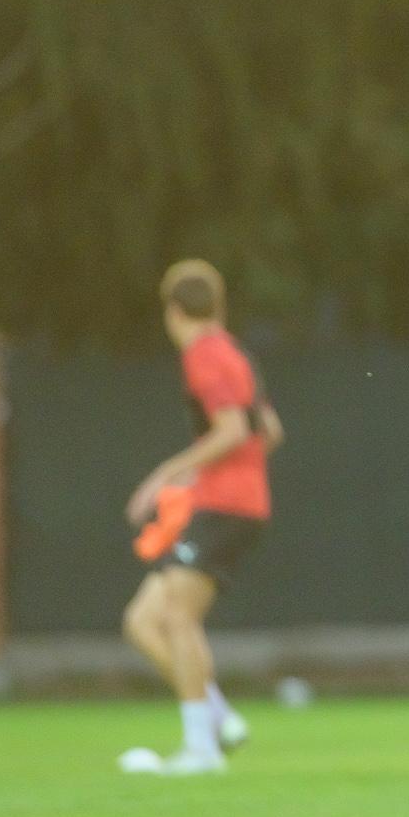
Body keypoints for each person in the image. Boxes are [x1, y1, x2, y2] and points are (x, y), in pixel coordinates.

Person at [122, 260, 284, 776]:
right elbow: (269, 432)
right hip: (233, 501)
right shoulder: (237, 355)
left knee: (178, 618)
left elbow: (232, 430)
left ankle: (201, 750)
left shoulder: (203, 355)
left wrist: (169, 472)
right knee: (142, 621)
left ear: (173, 310)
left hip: (225, 507)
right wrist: (212, 476)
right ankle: (219, 717)